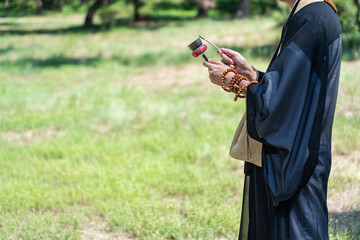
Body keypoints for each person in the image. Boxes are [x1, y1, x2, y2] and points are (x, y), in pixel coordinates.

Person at [202, 0, 342, 239]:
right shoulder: (314, 12)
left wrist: (233, 81)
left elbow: (280, 103)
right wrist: (253, 75)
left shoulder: (312, 17)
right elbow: (295, 87)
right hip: (304, 148)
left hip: (296, 162)